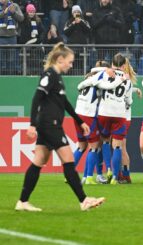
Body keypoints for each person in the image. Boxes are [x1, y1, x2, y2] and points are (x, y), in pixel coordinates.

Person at [15, 42, 105, 212]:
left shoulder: (57, 77)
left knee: (38, 161)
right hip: (50, 125)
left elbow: (64, 103)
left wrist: (80, 121)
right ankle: (84, 200)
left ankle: (23, 201)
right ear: (60, 59)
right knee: (68, 160)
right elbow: (36, 98)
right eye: (70, 62)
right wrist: (32, 125)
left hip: (50, 125)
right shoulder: (49, 75)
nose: (71, 65)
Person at [74, 60, 114, 185]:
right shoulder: (100, 79)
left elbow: (79, 87)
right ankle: (90, 177)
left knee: (81, 146)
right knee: (95, 146)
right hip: (90, 115)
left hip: (78, 114)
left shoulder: (88, 78)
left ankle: (69, 174)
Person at [96, 53, 132, 184]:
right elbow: (129, 100)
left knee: (105, 141)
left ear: (111, 64)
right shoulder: (127, 80)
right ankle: (115, 177)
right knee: (118, 146)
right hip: (119, 114)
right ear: (123, 66)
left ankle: (109, 169)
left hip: (104, 112)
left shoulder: (105, 74)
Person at [118, 58, 141, 184]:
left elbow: (128, 100)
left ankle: (124, 175)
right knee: (120, 147)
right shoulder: (127, 82)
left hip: (122, 118)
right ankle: (123, 174)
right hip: (125, 118)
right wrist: (135, 90)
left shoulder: (123, 80)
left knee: (120, 148)